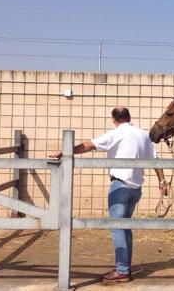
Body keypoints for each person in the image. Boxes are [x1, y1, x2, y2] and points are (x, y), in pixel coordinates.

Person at [50, 107, 167, 283]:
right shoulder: (142, 135)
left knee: (118, 227)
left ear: (114, 120)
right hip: (136, 189)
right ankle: (123, 267)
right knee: (124, 227)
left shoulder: (116, 133)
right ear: (129, 117)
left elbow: (89, 145)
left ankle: (122, 271)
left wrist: (66, 151)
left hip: (120, 187)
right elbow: (155, 160)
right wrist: (162, 181)